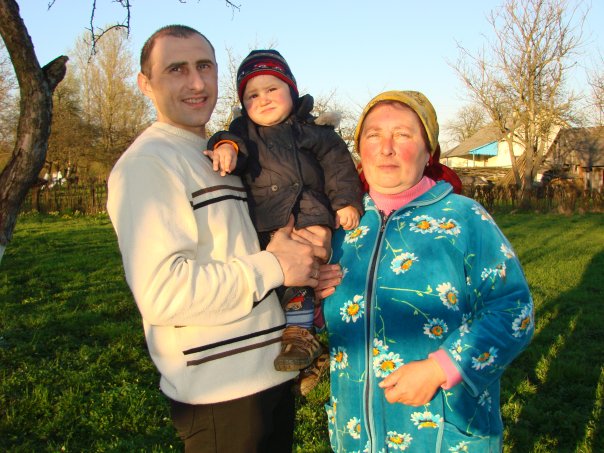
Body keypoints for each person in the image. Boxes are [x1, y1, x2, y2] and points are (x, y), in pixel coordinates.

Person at [106, 25, 331, 453]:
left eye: (204, 66)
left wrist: (307, 269)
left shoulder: (220, 152)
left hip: (268, 376)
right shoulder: (149, 164)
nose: (196, 83)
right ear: (145, 84)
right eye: (176, 69)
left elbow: (247, 246)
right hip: (221, 395)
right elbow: (163, 293)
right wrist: (275, 266)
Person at [321, 90, 534, 452]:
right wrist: (313, 299)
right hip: (355, 435)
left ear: (428, 151)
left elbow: (514, 311)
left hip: (442, 434)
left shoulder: (464, 218)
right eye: (373, 135)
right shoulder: (339, 225)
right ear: (359, 149)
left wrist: (441, 368)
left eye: (402, 135)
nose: (386, 148)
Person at [205, 49, 364, 377]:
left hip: (308, 215)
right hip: (265, 223)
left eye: (271, 89)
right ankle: (309, 347)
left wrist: (346, 201)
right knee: (278, 282)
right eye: (252, 95)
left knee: (302, 273)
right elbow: (229, 140)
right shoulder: (243, 133)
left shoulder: (314, 130)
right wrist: (225, 148)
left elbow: (338, 166)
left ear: (291, 91)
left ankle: (300, 337)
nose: (262, 99)